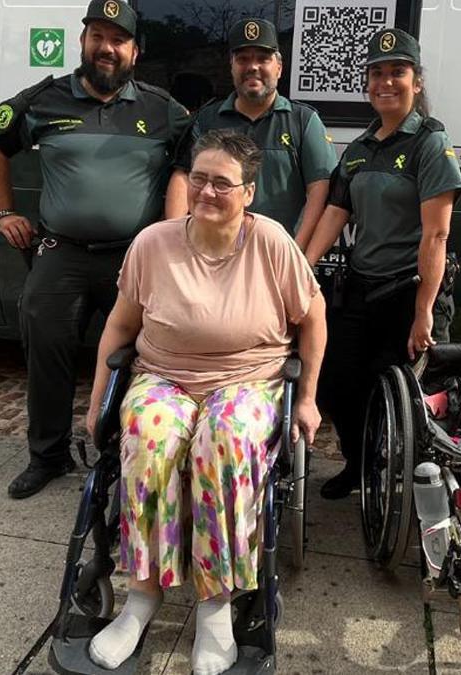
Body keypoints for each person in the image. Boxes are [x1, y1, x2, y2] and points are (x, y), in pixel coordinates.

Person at [83, 130, 326, 674]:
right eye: (199, 179)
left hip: (249, 378)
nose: (208, 191)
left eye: (222, 183)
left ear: (248, 193)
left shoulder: (272, 244)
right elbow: (119, 327)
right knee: (147, 433)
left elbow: (314, 319)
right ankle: (143, 594)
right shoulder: (153, 243)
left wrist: (307, 397)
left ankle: (214, 603)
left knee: (225, 439)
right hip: (164, 375)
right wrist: (98, 402)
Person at [0, 0, 191, 499]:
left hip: (133, 257)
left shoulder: (164, 110)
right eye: (97, 35)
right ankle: (47, 456)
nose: (106, 48)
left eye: (118, 40)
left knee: (140, 358)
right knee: (46, 348)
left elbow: (191, 164)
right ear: (83, 41)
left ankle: (125, 453)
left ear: (135, 51)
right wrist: (3, 212)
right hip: (63, 255)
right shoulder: (43, 100)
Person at [303, 28, 461, 500]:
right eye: (377, 73)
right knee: (336, 383)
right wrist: (299, 269)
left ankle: (413, 484)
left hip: (407, 293)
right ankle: (359, 465)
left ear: (417, 81)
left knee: (411, 401)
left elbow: (436, 233)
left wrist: (423, 311)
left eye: (398, 71)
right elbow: (335, 213)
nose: (386, 81)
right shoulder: (359, 149)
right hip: (360, 289)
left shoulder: (430, 142)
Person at [170, 18, 337, 248]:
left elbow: (320, 190)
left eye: (262, 58)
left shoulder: (303, 121)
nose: (252, 67)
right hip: (211, 257)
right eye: (243, 59)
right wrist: (176, 244)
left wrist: (296, 257)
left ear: (279, 67)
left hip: (276, 258)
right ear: (232, 66)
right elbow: (183, 178)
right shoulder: (206, 119)